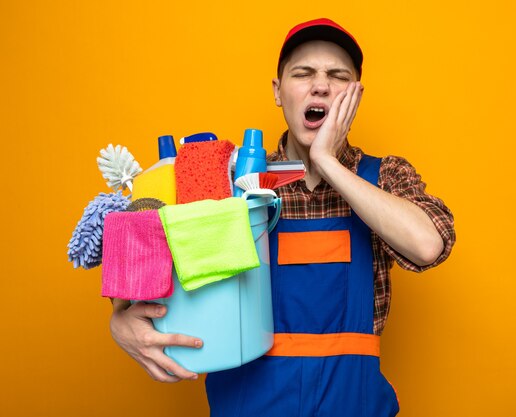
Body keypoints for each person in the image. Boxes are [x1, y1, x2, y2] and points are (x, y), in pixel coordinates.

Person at [110, 18, 455, 416]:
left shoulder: (385, 177)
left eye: (338, 76)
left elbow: (428, 244)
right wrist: (119, 320)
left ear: (356, 94)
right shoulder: (233, 182)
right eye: (303, 73)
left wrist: (327, 160)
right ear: (278, 92)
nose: (321, 85)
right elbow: (150, 256)